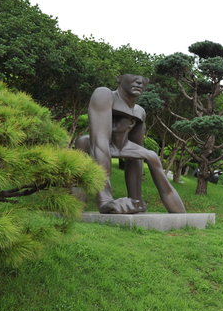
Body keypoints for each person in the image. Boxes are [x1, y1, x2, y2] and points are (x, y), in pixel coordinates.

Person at [75, 74, 186, 214]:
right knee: (82, 142)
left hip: (124, 146)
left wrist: (136, 201)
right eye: (133, 77)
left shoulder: (139, 111)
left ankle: (136, 200)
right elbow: (99, 142)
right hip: (100, 144)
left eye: (143, 79)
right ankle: (76, 205)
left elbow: (135, 157)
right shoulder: (104, 94)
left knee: (146, 156)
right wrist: (105, 200)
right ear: (118, 78)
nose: (139, 81)